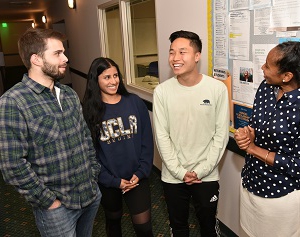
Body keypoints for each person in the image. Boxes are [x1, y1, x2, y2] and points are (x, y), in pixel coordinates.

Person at [0, 28, 101, 237]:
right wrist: (49, 202)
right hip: (57, 208)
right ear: (36, 59)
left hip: (89, 194)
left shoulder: (69, 94)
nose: (65, 58)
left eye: (63, 52)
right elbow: (12, 165)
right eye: (57, 53)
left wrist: (93, 174)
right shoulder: (13, 101)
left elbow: (85, 137)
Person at [153, 30, 229, 237]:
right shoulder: (162, 91)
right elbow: (162, 136)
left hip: (206, 174)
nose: (175, 58)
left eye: (182, 52)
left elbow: (220, 135)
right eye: (171, 52)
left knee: (207, 225)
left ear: (197, 56)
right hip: (173, 175)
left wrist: (202, 170)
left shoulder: (217, 89)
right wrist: (179, 172)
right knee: (178, 227)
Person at [82, 57, 154, 237]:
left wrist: (141, 172)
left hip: (136, 178)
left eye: (115, 76)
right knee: (113, 221)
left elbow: (147, 140)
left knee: (144, 227)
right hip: (109, 180)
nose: (113, 81)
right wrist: (112, 180)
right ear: (95, 80)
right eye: (107, 77)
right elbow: (90, 152)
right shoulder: (89, 111)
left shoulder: (134, 102)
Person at [234, 41, 300, 237]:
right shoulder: (266, 87)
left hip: (280, 196)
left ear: (287, 76)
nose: (262, 68)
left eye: (268, 66)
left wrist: (253, 149)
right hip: (251, 181)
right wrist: (248, 134)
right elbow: (256, 122)